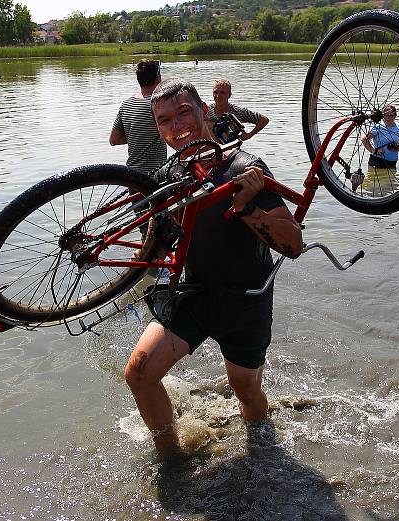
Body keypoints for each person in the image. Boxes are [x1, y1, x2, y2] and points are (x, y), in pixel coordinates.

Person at [124, 79, 303, 456]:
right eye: (164, 121)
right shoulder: (170, 175)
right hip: (196, 293)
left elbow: (293, 243)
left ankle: (264, 457)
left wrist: (247, 206)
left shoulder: (244, 166)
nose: (176, 126)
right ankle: (172, 460)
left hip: (245, 300)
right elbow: (154, 243)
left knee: (245, 390)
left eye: (184, 112)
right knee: (139, 373)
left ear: (205, 110)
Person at [109, 59, 167, 174]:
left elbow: (113, 140)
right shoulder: (158, 104)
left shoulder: (126, 104)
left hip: (132, 176)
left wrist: (137, 136)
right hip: (155, 175)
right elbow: (168, 134)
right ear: (158, 78)